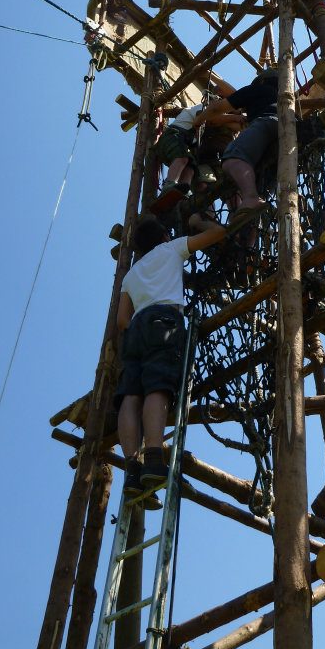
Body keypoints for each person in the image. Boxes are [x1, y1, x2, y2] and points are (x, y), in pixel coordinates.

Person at [115, 215, 227, 504]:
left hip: (135, 330)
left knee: (131, 394)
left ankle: (132, 468)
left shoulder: (131, 274)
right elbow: (218, 233)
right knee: (157, 386)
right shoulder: (172, 248)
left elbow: (122, 320)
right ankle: (154, 458)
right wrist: (198, 221)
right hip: (164, 319)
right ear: (164, 236)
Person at [199, 69, 280, 213]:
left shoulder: (257, 90)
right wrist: (234, 118)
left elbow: (216, 110)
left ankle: (251, 198)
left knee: (233, 159)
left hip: (267, 122)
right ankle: (255, 210)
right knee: (262, 178)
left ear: (261, 81)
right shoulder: (277, 98)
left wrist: (198, 121)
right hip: (286, 132)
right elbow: (220, 121)